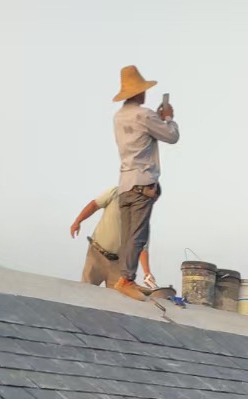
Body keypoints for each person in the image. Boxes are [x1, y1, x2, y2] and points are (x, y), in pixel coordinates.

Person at [111, 65, 179, 301]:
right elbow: (171, 136)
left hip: (125, 184)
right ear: (139, 92)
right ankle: (126, 280)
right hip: (142, 183)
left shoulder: (119, 117)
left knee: (127, 235)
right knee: (138, 236)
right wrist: (167, 117)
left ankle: (124, 278)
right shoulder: (145, 115)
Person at [69, 188, 156, 290]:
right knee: (85, 291)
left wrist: (147, 272)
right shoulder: (115, 193)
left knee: (118, 295)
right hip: (96, 255)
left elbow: (141, 248)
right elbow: (94, 205)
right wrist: (77, 221)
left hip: (118, 264)